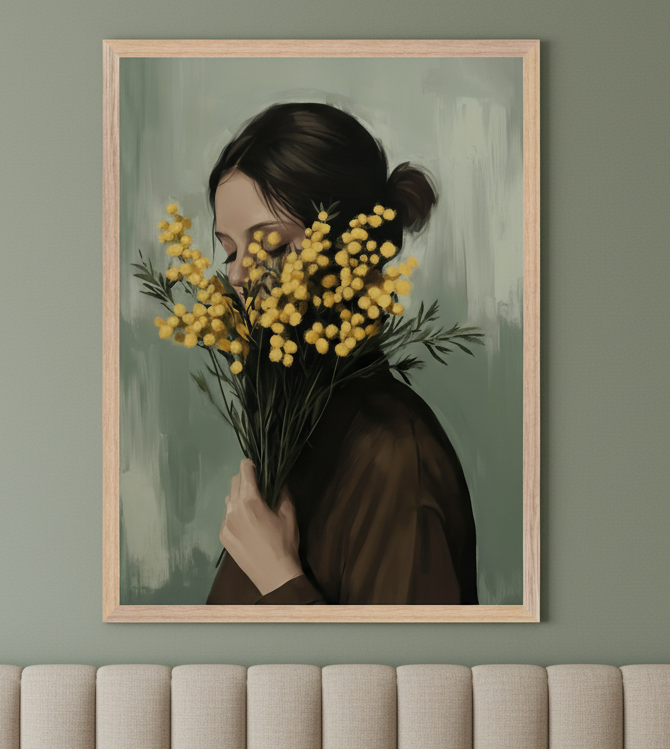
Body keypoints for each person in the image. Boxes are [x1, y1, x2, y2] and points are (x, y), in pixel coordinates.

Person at [204, 102, 478, 605]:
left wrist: (279, 577)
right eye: (229, 252)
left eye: (269, 247)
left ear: (350, 254)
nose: (239, 276)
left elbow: (414, 679)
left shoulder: (395, 456)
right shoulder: (295, 432)